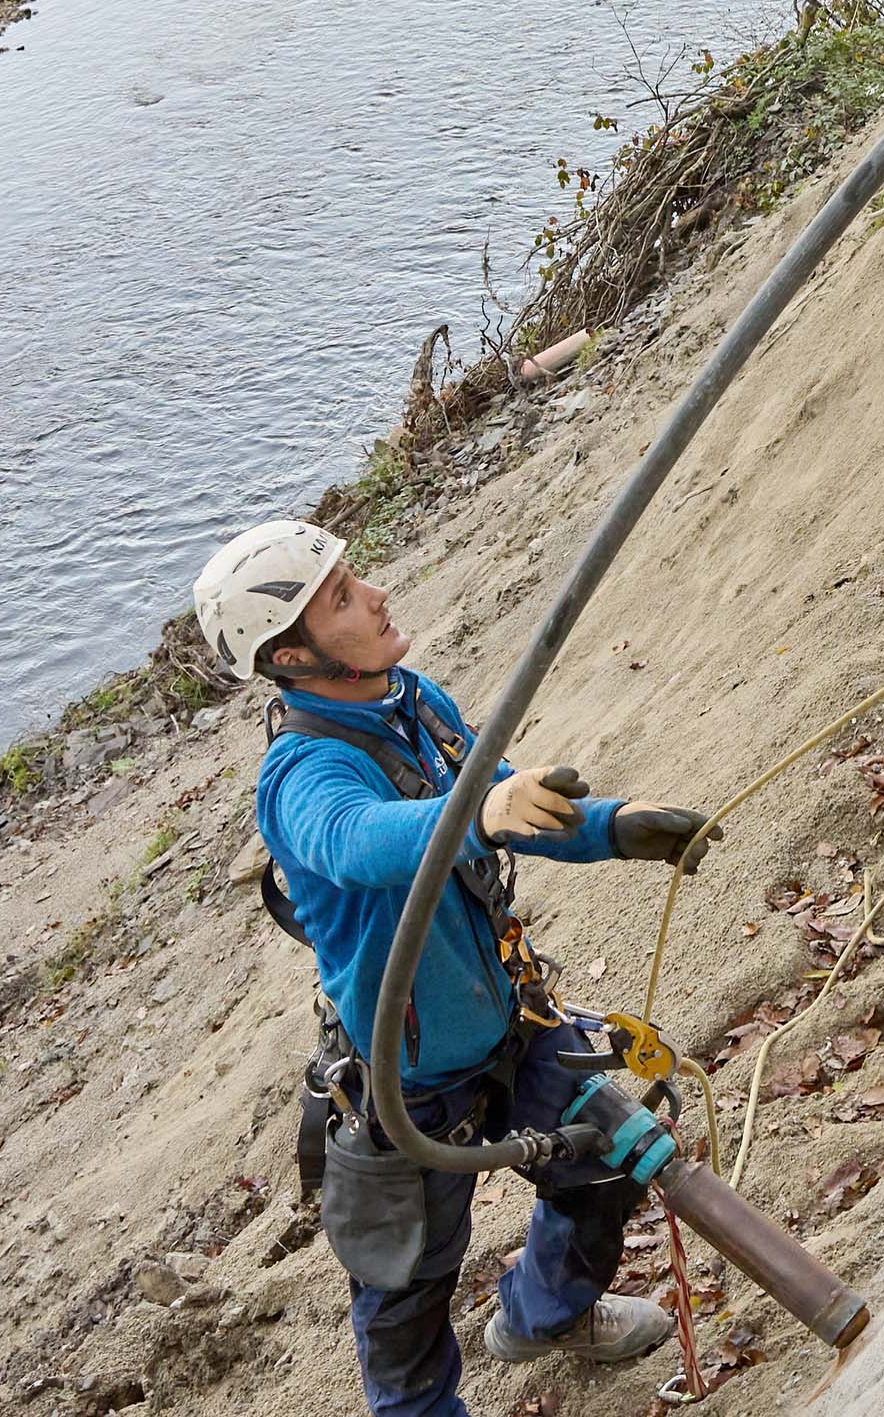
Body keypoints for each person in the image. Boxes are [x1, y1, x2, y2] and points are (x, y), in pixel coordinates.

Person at [194, 517, 713, 1417]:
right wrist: (478, 814)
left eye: (357, 578)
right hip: (408, 1092)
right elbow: (357, 841)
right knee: (404, 1310)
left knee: (613, 1162)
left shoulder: (411, 702)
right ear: (290, 658)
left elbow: (513, 803)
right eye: (345, 598)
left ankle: (544, 1317)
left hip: (513, 1030)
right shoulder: (299, 777)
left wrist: (617, 828)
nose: (377, 595)